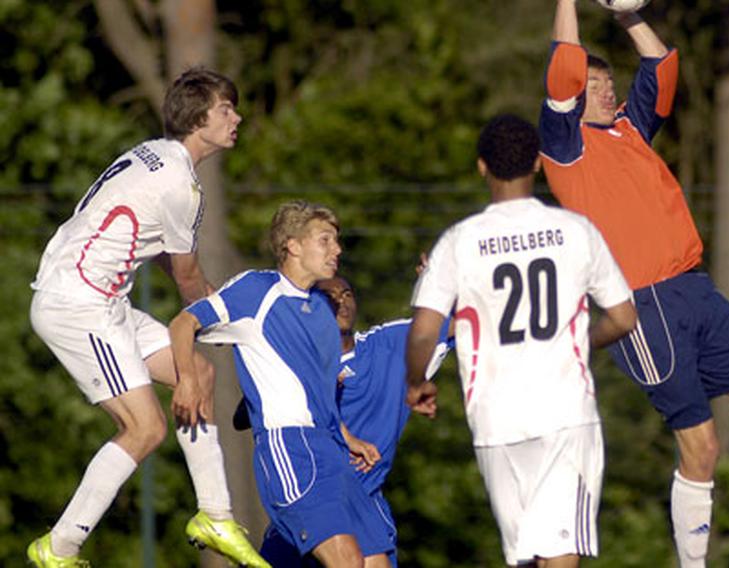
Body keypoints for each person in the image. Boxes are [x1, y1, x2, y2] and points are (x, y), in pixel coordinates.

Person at [538, 3, 729, 567]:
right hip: (643, 305)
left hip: (695, 289)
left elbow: (661, 65)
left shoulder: (630, 129)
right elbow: (563, 62)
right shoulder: (565, 146)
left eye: (608, 82)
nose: (606, 91)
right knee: (701, 446)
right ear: (575, 95)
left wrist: (629, 16)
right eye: (594, 84)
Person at [27, 67, 266, 567]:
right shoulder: (182, 183)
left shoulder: (152, 153)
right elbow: (188, 281)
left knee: (196, 372)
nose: (237, 117)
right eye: (227, 109)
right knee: (146, 428)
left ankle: (215, 515)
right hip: (79, 305)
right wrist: (244, 332)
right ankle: (60, 546)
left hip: (100, 301)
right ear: (200, 119)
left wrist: (217, 334)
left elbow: (158, 248)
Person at [406, 114, 638, 568]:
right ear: (537, 163)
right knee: (562, 549)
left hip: (496, 418)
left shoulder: (460, 240)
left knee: (527, 554)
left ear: (481, 167)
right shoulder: (576, 230)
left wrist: (416, 383)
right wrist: (582, 343)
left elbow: (422, 330)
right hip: (564, 410)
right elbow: (625, 317)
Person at [168, 201, 395, 568]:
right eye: (325, 240)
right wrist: (188, 380)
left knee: (375, 561)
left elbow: (316, 392)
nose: (336, 250)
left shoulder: (322, 310)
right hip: (291, 447)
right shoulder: (256, 290)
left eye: (336, 242)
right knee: (347, 562)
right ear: (292, 245)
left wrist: (347, 437)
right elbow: (183, 324)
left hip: (332, 450)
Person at [247, 276, 454, 567]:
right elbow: (249, 413)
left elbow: (462, 321)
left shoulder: (386, 347)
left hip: (362, 505)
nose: (340, 302)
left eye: (347, 294)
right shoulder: (290, 363)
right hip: (309, 502)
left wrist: (438, 285)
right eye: (328, 297)